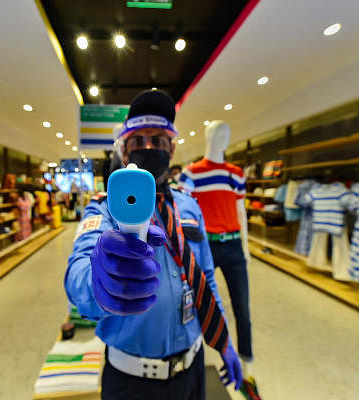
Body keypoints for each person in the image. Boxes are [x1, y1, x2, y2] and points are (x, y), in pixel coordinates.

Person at [65, 90, 243, 400]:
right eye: (138, 141)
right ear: (123, 151)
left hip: (193, 370)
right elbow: (77, 275)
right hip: (131, 383)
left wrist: (224, 338)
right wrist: (100, 280)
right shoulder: (103, 209)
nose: (149, 148)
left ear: (172, 149)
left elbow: (207, 278)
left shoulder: (189, 207)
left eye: (158, 140)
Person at [179, 121, 253, 367]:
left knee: (242, 305)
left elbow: (241, 211)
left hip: (232, 245)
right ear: (207, 137)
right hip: (205, 246)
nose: (222, 138)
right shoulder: (191, 174)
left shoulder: (236, 173)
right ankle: (196, 351)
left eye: (226, 134)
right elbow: (181, 210)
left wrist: (246, 246)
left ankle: (245, 357)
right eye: (217, 133)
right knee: (199, 301)